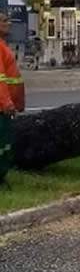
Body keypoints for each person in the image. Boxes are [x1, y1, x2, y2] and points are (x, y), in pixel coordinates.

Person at [0, 13, 25, 184]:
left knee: (5, 146)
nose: (8, 23)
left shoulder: (3, 46)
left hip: (5, 108)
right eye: (3, 21)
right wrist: (6, 103)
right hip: (2, 108)